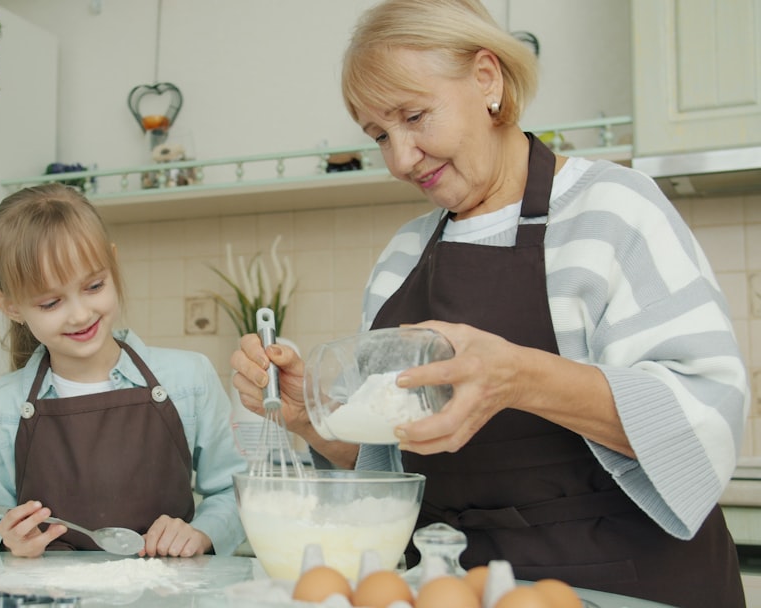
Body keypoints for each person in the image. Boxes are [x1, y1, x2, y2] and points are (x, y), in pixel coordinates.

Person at [230, 1, 748, 605]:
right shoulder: (403, 255)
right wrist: (306, 418)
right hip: (460, 587)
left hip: (631, 583)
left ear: (487, 79)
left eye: (415, 116)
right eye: (379, 135)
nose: (400, 158)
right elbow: (385, 470)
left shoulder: (612, 209)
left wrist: (519, 376)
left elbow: (704, 419)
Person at [0, 184, 247, 558]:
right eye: (51, 302)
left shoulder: (189, 380)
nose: (80, 314)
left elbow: (235, 492)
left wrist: (200, 534)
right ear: (10, 306)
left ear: (112, 265)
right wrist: (9, 541)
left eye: (94, 286)